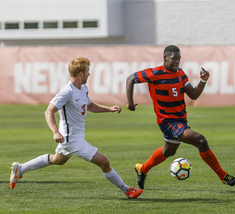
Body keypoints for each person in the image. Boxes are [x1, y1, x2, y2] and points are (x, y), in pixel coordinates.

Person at [10, 57, 142, 199]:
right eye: (87, 71)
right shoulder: (67, 91)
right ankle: (127, 190)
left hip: (76, 137)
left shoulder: (83, 88)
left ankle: (21, 168)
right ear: (80, 73)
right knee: (104, 162)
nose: (89, 74)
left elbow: (89, 105)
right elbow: (48, 111)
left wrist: (108, 109)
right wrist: (55, 131)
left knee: (58, 160)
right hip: (71, 139)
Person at [126, 45, 235, 189]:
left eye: (179, 59)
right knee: (200, 140)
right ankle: (223, 176)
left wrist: (203, 81)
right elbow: (130, 79)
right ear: (165, 58)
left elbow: (193, 94)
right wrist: (130, 103)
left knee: (169, 151)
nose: (177, 62)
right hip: (168, 121)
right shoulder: (154, 73)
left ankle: (142, 169)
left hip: (180, 119)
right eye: (174, 58)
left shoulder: (180, 73)